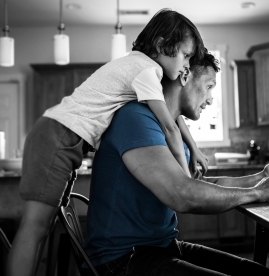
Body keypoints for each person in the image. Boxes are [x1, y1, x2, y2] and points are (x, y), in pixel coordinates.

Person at [7, 8, 209, 276]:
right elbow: (169, 128)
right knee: (35, 228)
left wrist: (193, 148)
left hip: (64, 140)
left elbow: (173, 119)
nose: (187, 64)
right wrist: (186, 181)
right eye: (185, 55)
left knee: (42, 228)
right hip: (57, 136)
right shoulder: (146, 71)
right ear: (162, 45)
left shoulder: (142, 69)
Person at [83, 51, 269, 276]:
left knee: (260, 274)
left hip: (162, 247)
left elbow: (199, 185)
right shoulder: (135, 118)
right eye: (209, 86)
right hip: (121, 260)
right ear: (184, 76)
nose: (211, 98)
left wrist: (261, 179)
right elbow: (183, 194)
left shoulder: (172, 128)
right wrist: (257, 193)